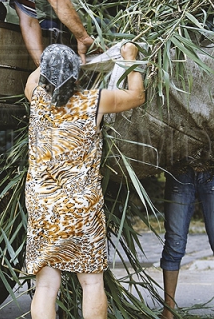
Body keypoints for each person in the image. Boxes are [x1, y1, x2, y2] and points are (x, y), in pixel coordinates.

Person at [24, 43, 145, 319]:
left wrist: (47, 63)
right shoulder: (94, 101)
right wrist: (130, 58)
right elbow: (137, 96)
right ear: (76, 76)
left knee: (46, 283)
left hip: (43, 205)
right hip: (80, 207)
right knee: (91, 281)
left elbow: (33, 79)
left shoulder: (36, 97)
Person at [160, 75, 214, 319]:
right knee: (174, 242)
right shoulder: (176, 67)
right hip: (181, 171)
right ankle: (169, 310)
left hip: (213, 173)